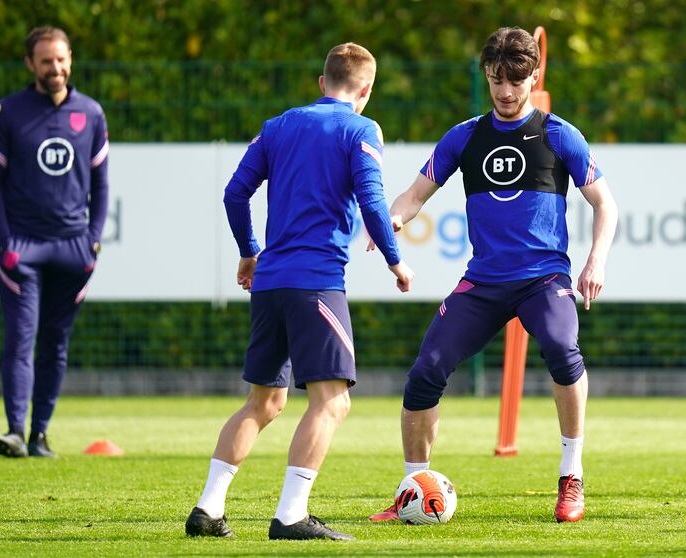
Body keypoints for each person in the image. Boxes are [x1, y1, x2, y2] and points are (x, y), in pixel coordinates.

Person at [367, 27, 618, 523]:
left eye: (517, 81)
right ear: (487, 74)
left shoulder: (558, 134)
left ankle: (572, 476)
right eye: (498, 81)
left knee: (563, 350)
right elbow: (413, 196)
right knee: (424, 372)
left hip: (544, 279)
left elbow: (604, 204)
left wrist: (596, 261)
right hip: (483, 282)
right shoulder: (465, 137)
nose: (506, 92)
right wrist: (391, 219)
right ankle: (413, 489)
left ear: (535, 76)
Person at [185, 42, 414, 541]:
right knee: (332, 402)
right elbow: (373, 200)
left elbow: (234, 193)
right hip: (316, 283)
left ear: (321, 82)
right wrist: (396, 260)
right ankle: (290, 515)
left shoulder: (279, 125)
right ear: (366, 90)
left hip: (270, 283)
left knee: (263, 402)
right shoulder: (362, 128)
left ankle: (208, 508)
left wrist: (249, 251)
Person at [0, 26, 109, 458]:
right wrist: (6, 241)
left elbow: (101, 183)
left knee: (56, 343)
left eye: (61, 59)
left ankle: (39, 435)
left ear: (70, 58)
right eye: (45, 61)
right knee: (20, 338)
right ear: (30, 65)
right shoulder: (9, 112)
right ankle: (15, 431)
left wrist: (92, 241)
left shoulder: (90, 113)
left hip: (73, 250)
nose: (55, 68)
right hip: (25, 250)